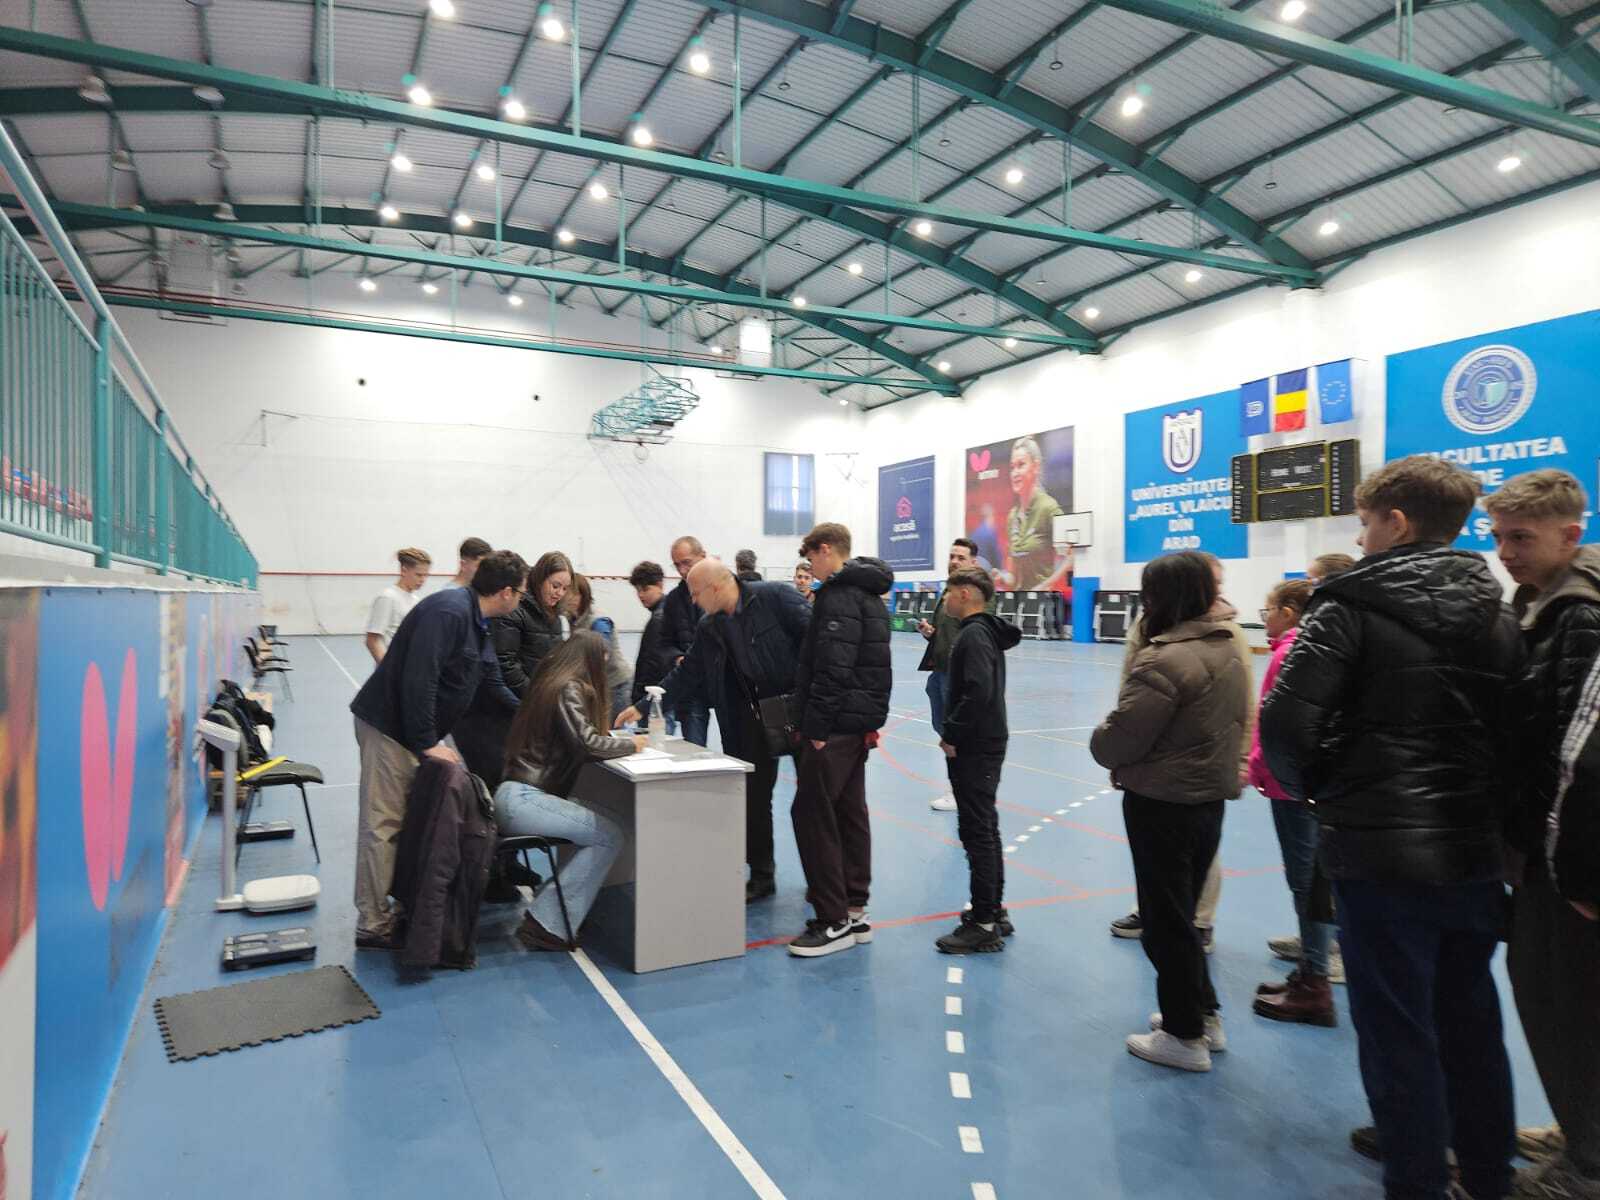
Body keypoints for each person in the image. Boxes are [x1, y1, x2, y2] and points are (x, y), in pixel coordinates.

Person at [1261, 455, 1523, 1200]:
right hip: (1472, 855)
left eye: (1366, 522)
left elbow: (1285, 727)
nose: (1361, 538)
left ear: (1397, 523)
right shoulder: (1499, 613)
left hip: (1379, 858)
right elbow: (1521, 734)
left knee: (1397, 1034)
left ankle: (1416, 1182)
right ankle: (1488, 1178)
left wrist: (1325, 795)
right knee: (1472, 1024)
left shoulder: (1347, 608)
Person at [1485, 469, 1600, 1199]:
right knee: (1552, 997)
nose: (1505, 552)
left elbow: (1571, 750)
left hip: (1564, 856)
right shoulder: (1539, 603)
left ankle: (1586, 1167)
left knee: (1564, 1004)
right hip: (1544, 844)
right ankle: (1580, 1129)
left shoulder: (1579, 615)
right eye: (1498, 537)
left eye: (1520, 538)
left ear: (1570, 535)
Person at [1091, 551, 1249, 1073]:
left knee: (1165, 923)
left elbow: (1120, 738)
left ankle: (1184, 1035)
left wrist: (1102, 741)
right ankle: (1202, 1014)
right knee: (1182, 916)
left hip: (1163, 802)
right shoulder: (1229, 646)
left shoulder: (1164, 660)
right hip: (1206, 801)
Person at [348, 549, 527, 948]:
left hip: (411, 732)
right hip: (390, 729)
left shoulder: (476, 621)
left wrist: (530, 713)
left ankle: (397, 904)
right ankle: (372, 923)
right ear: (506, 592)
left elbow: (491, 680)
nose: (520, 600)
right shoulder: (448, 612)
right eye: (520, 593)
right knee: (383, 823)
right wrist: (428, 742)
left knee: (409, 819)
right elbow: (420, 678)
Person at [622, 557, 811, 901]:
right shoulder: (710, 626)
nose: (693, 601)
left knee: (813, 801)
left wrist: (816, 701)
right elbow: (687, 672)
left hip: (798, 712)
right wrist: (643, 706)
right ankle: (762, 875)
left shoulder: (776, 598)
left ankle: (824, 882)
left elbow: (816, 646)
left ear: (717, 586)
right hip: (748, 721)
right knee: (754, 801)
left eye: (696, 593)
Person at [1109, 552, 1250, 950]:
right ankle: (1152, 911)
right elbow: (1131, 686)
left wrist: (1241, 758)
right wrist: (1126, 746)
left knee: (1195, 855)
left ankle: (1199, 921)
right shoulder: (1149, 627)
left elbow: (1244, 705)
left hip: (1193, 769)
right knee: (1159, 868)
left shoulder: (1227, 635)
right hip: (1152, 760)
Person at [498, 633, 646, 951]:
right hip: (526, 799)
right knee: (609, 836)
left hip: (520, 795)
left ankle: (560, 910)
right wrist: (631, 744)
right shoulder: (569, 687)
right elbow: (587, 743)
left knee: (617, 823)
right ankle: (546, 923)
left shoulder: (550, 682)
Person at [786, 523, 893, 958]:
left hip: (834, 727)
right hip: (857, 722)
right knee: (849, 812)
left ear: (826, 550)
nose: (809, 567)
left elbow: (833, 668)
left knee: (812, 814)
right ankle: (853, 908)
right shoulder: (869, 594)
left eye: (810, 557)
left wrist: (816, 729)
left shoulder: (838, 596)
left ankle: (832, 920)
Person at [1246, 578, 1339, 1028]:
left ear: (1288, 612)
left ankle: (1315, 978)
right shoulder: (1305, 650)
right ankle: (1311, 967)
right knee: (1308, 881)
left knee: (1307, 883)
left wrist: (1259, 770)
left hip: (1293, 787)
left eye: (1268, 611)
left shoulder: (1292, 654)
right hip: (1299, 785)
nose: (1265, 619)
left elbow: (1278, 724)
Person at [934, 567, 1021, 954]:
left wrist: (952, 733)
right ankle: (994, 910)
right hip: (985, 741)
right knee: (985, 827)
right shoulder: (981, 632)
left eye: (948, 592)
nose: (945, 600)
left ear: (966, 593)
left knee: (977, 831)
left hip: (976, 745)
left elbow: (978, 691)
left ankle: (984, 923)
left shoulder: (973, 636)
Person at [452, 550, 570, 790]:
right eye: (555, 585)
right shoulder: (514, 610)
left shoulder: (556, 619)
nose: (559, 593)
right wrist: (534, 701)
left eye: (565, 588)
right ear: (540, 579)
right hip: (496, 716)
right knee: (497, 781)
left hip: (526, 712)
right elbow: (505, 665)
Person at [917, 537, 985, 813]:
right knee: (944, 729)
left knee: (956, 734)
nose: (954, 561)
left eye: (960, 557)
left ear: (973, 562)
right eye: (952, 556)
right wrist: (930, 634)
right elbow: (944, 632)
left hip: (958, 677)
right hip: (939, 673)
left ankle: (960, 789)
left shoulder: (977, 595)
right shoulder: (948, 591)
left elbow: (978, 636)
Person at [1001, 436, 1071, 593]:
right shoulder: (1012, 516)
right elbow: (1013, 578)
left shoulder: (1049, 508)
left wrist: (1045, 586)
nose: (1015, 473)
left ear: (1036, 467)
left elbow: (1071, 558)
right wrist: (1002, 578)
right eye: (1012, 467)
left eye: (1021, 465)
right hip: (1019, 602)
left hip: (1044, 603)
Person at [663, 536, 711, 746]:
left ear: (703, 556)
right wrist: (676, 658)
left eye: (687, 563)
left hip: (727, 685)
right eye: (677, 565)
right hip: (691, 686)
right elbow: (664, 644)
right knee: (694, 749)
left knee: (738, 751)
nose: (682, 570)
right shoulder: (673, 600)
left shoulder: (726, 591)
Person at [565, 573, 632, 720]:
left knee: (612, 729)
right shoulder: (572, 617)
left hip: (616, 684)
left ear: (584, 596)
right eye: (567, 593)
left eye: (575, 594)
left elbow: (603, 652)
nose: (569, 598)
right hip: (596, 684)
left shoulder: (598, 620)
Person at [627, 561, 676, 734]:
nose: (641, 595)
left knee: (655, 745)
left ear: (660, 585)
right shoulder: (665, 613)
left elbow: (653, 665)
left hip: (654, 701)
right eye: (638, 590)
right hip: (657, 699)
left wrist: (640, 699)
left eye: (645, 589)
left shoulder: (660, 618)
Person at [365, 547, 430, 664]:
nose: (423, 580)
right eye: (419, 575)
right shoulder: (387, 597)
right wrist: (387, 669)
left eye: (426, 575)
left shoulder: (416, 600)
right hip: (393, 668)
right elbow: (372, 640)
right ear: (404, 571)